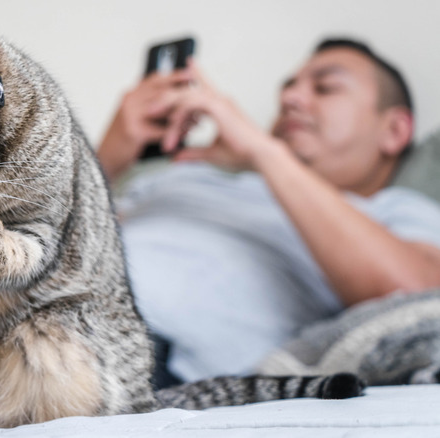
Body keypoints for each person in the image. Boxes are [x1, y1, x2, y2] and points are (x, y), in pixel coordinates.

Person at [98, 39, 440, 385]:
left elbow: (416, 298)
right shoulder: (189, 175)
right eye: (289, 88)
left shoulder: (391, 210)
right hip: (57, 299)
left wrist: (266, 153)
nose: (289, 99)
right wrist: (105, 161)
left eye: (325, 88)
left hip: (132, 347)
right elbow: (58, 235)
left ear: (394, 130)